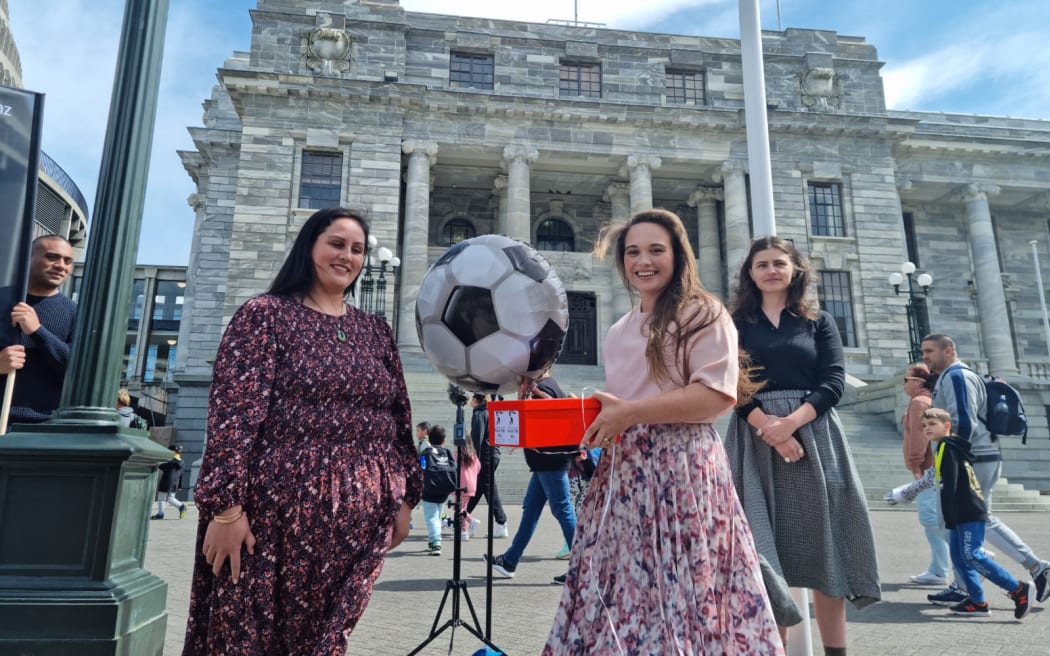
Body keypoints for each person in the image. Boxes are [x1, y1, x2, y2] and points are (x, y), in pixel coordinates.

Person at [183, 207, 422, 656]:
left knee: (326, 641)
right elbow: (233, 418)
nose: (347, 256)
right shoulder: (265, 315)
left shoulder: (375, 331)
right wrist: (226, 510)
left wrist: (406, 496)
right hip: (271, 520)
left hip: (359, 522)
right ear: (309, 246)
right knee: (248, 638)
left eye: (357, 250)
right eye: (336, 243)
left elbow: (397, 420)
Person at [544, 209, 781, 654]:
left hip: (684, 468)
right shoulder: (617, 329)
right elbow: (623, 402)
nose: (643, 261)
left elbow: (714, 397)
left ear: (678, 254)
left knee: (687, 587)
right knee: (623, 589)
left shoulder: (703, 313)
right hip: (625, 472)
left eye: (656, 249)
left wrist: (629, 413)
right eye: (632, 251)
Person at [722, 236, 880, 655]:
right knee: (764, 551)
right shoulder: (734, 323)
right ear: (750, 274)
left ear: (795, 270)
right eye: (762, 264)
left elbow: (833, 381)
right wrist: (766, 427)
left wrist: (789, 424)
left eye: (779, 263)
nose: (771, 270)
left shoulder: (818, 321)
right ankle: (774, 648)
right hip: (753, 439)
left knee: (827, 545)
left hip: (814, 435)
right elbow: (728, 382)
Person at [920, 333, 1050, 605]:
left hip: (973, 458)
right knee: (968, 520)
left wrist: (955, 459)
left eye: (930, 351)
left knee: (959, 520)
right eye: (923, 352)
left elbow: (963, 421)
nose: (925, 357)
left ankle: (1025, 570)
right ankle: (968, 582)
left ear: (949, 349)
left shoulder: (957, 376)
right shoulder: (951, 376)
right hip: (977, 456)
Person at [918, 408, 1034, 619]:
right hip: (961, 511)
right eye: (924, 426)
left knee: (972, 555)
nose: (927, 429)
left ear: (946, 426)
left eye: (932, 424)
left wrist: (948, 516)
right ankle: (977, 602)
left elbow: (950, 484)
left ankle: (1018, 589)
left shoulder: (947, 446)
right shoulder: (949, 446)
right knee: (959, 557)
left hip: (968, 511)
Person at [484, 372, 577, 579]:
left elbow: (555, 407)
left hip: (549, 461)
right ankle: (510, 561)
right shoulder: (540, 386)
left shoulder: (545, 386)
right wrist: (524, 392)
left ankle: (583, 568)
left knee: (562, 509)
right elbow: (524, 416)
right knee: (530, 509)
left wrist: (532, 390)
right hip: (542, 462)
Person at [0, 235, 76, 430]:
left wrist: (37, 331)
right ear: (29, 258)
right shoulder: (3, 299)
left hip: (44, 428)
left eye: (68, 261)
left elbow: (75, 369)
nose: (61, 265)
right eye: (52, 257)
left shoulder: (75, 312)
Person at [901, 364, 950, 586]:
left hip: (928, 468)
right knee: (934, 518)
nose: (903, 384)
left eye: (906, 379)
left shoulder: (919, 403)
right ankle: (938, 569)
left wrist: (915, 464)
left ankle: (973, 553)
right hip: (936, 467)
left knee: (930, 517)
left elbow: (919, 437)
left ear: (917, 382)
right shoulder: (930, 399)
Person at [465, 392, 509, 538]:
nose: (469, 400)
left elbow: (477, 438)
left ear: (477, 400)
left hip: (485, 455)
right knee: (480, 488)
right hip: (493, 453)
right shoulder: (491, 411)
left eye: (472, 397)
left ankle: (501, 522)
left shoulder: (479, 413)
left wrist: (473, 458)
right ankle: (463, 517)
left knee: (488, 488)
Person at [421, 424, 456, 556]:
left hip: (429, 489)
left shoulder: (426, 452)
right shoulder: (447, 452)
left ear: (429, 439)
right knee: (437, 516)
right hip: (445, 488)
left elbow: (421, 468)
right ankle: (432, 541)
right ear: (444, 440)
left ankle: (436, 542)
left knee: (432, 517)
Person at [152, 445, 188, 520]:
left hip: (166, 481)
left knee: (161, 498)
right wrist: (180, 485)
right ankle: (181, 507)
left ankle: (160, 514)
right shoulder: (183, 462)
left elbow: (160, 466)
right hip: (175, 483)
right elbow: (181, 474)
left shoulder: (169, 461)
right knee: (171, 498)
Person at [457, 435, 481, 541]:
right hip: (471, 486)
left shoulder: (458, 454)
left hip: (461, 486)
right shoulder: (473, 456)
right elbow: (479, 468)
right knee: (462, 508)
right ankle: (466, 527)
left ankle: (465, 529)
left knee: (458, 508)